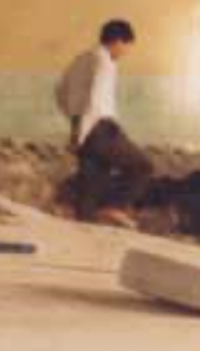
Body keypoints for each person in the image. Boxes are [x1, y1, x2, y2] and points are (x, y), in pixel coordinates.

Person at [55, 19, 154, 222]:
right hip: (100, 128)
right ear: (118, 41)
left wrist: (75, 123)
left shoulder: (80, 59)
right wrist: (83, 129)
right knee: (142, 166)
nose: (125, 53)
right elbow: (96, 99)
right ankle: (114, 206)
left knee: (91, 187)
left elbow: (60, 92)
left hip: (82, 125)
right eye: (126, 47)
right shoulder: (105, 61)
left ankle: (87, 227)